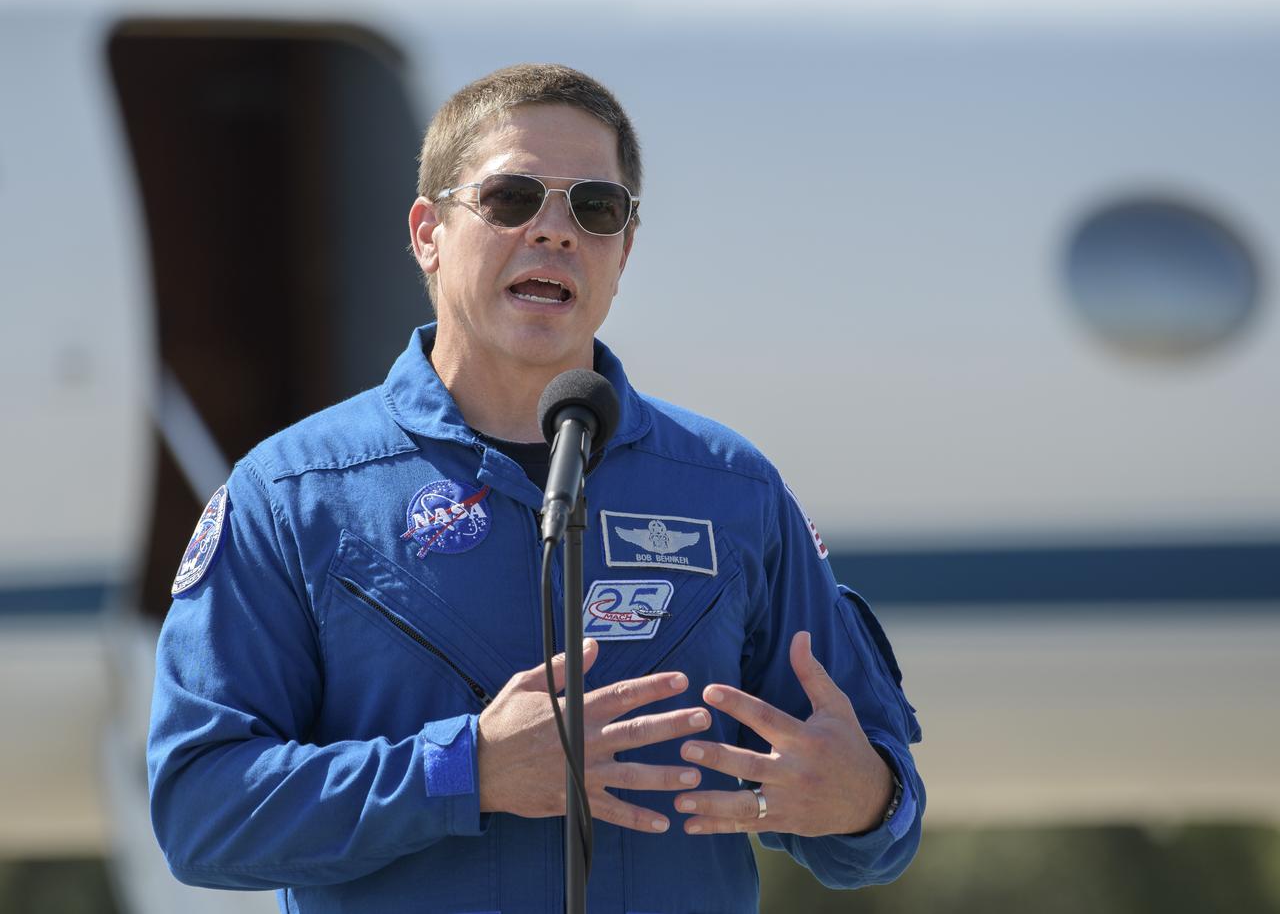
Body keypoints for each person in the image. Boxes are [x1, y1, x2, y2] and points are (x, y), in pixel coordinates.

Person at [148, 63, 924, 914]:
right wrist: (466, 770)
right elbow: (200, 810)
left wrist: (866, 801)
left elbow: (880, 813)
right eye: (513, 198)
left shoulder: (732, 490)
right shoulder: (293, 496)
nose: (555, 231)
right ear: (427, 233)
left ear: (624, 250)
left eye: (594, 208)